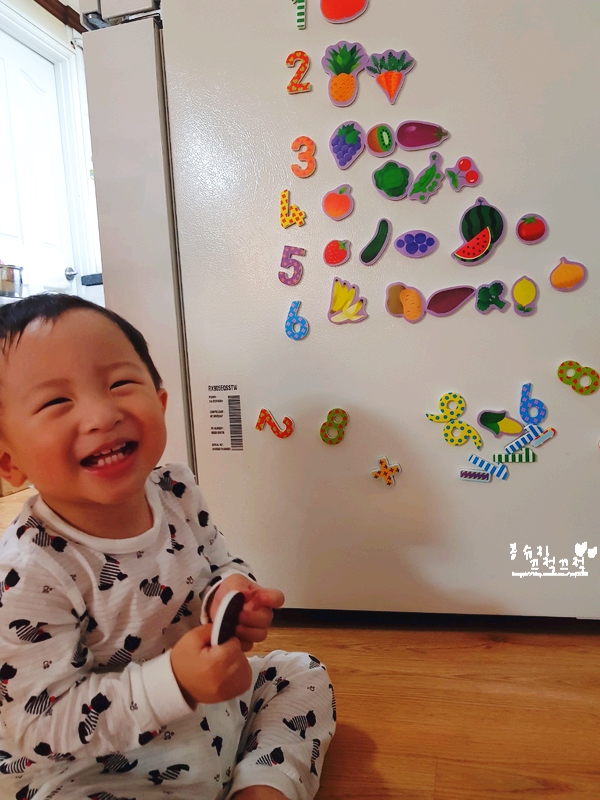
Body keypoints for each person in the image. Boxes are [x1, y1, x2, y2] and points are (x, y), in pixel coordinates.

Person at [0, 294, 335, 800]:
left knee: (300, 673)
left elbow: (216, 562)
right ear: (9, 461)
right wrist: (173, 683)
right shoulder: (27, 572)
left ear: (159, 402)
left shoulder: (175, 490)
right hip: (101, 769)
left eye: (119, 384)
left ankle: (262, 785)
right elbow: (41, 724)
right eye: (55, 403)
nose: (101, 414)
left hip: (214, 714)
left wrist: (230, 594)